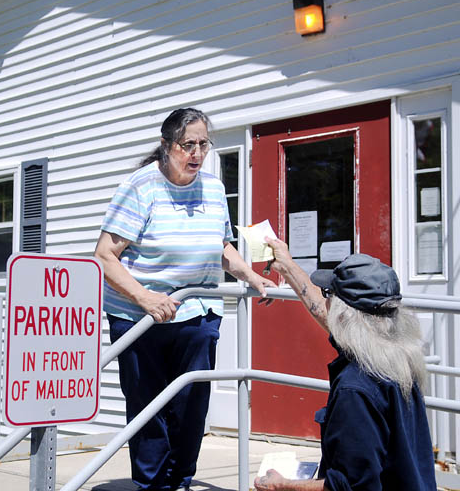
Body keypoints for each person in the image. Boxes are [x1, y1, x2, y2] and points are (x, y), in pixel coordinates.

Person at [94, 107, 276, 491]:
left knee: (192, 406)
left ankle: (180, 481)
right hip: (140, 316)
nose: (196, 153)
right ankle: (152, 484)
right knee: (149, 409)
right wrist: (145, 297)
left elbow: (221, 246)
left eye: (203, 145)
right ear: (166, 146)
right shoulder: (141, 187)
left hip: (197, 312)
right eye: (186, 145)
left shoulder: (211, 187)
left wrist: (252, 276)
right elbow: (105, 255)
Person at [254, 238, 437, 491]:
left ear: (344, 315)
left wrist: (281, 485)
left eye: (329, 295)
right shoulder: (399, 358)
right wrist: (286, 266)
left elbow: (349, 486)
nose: (325, 302)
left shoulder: (356, 389)